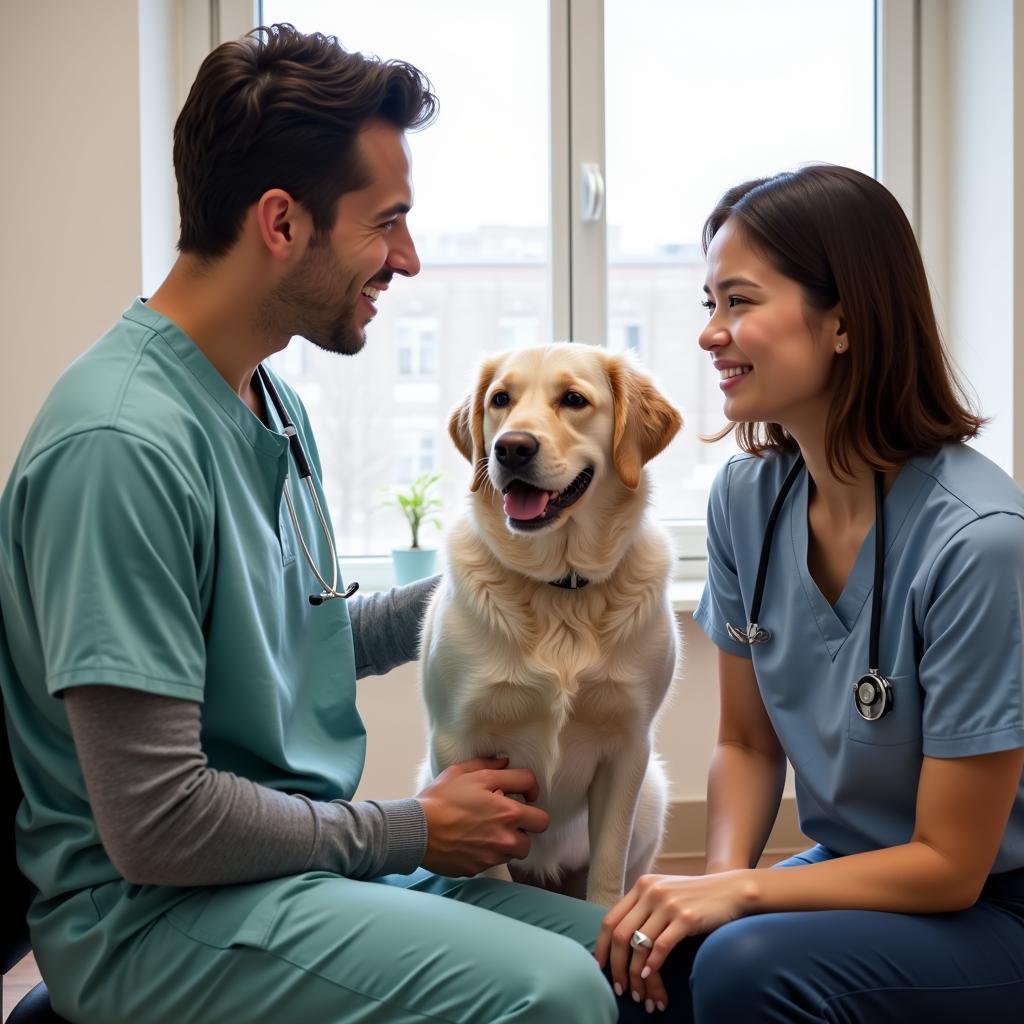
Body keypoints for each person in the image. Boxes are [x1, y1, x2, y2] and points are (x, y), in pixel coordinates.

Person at [0, 24, 622, 1024]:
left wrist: (521, 576)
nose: (409, 260)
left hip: (291, 874)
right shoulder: (119, 446)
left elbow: (306, 631)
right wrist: (409, 829)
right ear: (281, 223)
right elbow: (157, 823)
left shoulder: (267, 404)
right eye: (386, 223)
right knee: (554, 997)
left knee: (637, 949)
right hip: (155, 918)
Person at [597, 164, 1024, 1020]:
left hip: (990, 904)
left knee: (746, 964)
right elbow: (749, 744)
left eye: (740, 302)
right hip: (849, 871)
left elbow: (950, 863)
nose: (711, 334)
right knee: (647, 957)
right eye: (708, 304)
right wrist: (717, 885)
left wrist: (743, 898)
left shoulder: (980, 542)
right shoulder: (745, 501)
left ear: (842, 322)